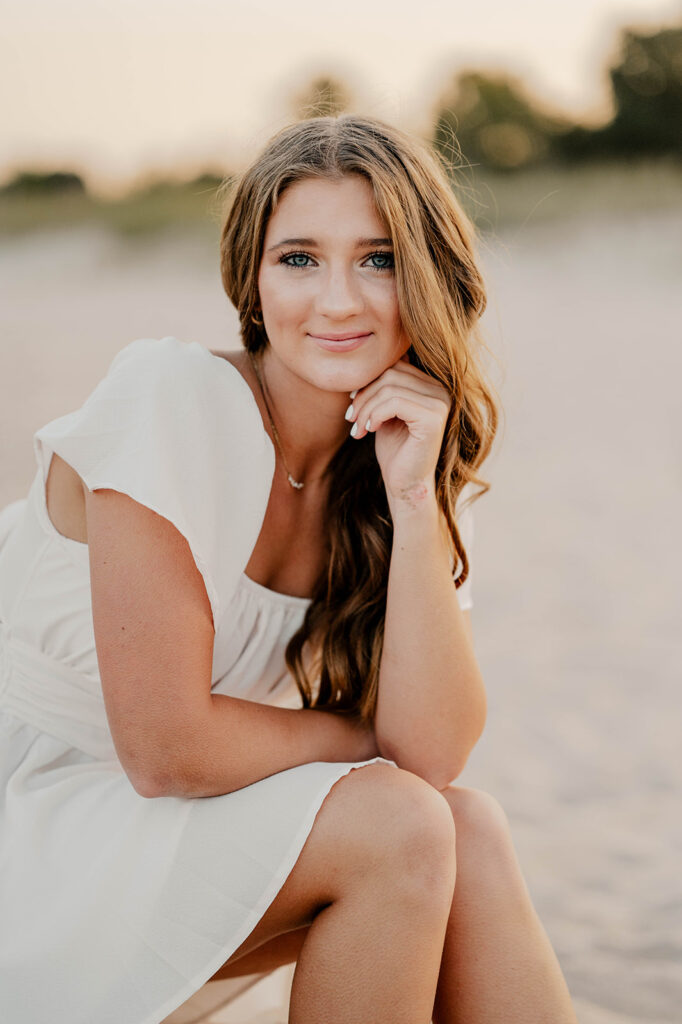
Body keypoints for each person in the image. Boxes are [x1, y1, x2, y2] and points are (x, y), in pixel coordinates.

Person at [0, 113, 578, 1024]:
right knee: (402, 821)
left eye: (378, 259)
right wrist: (365, 741)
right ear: (253, 277)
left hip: (152, 831)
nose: (339, 301)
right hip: (35, 824)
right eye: (299, 259)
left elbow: (432, 753)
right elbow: (167, 749)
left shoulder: (395, 458)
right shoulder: (171, 397)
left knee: (466, 826)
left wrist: (419, 501)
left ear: (429, 278)